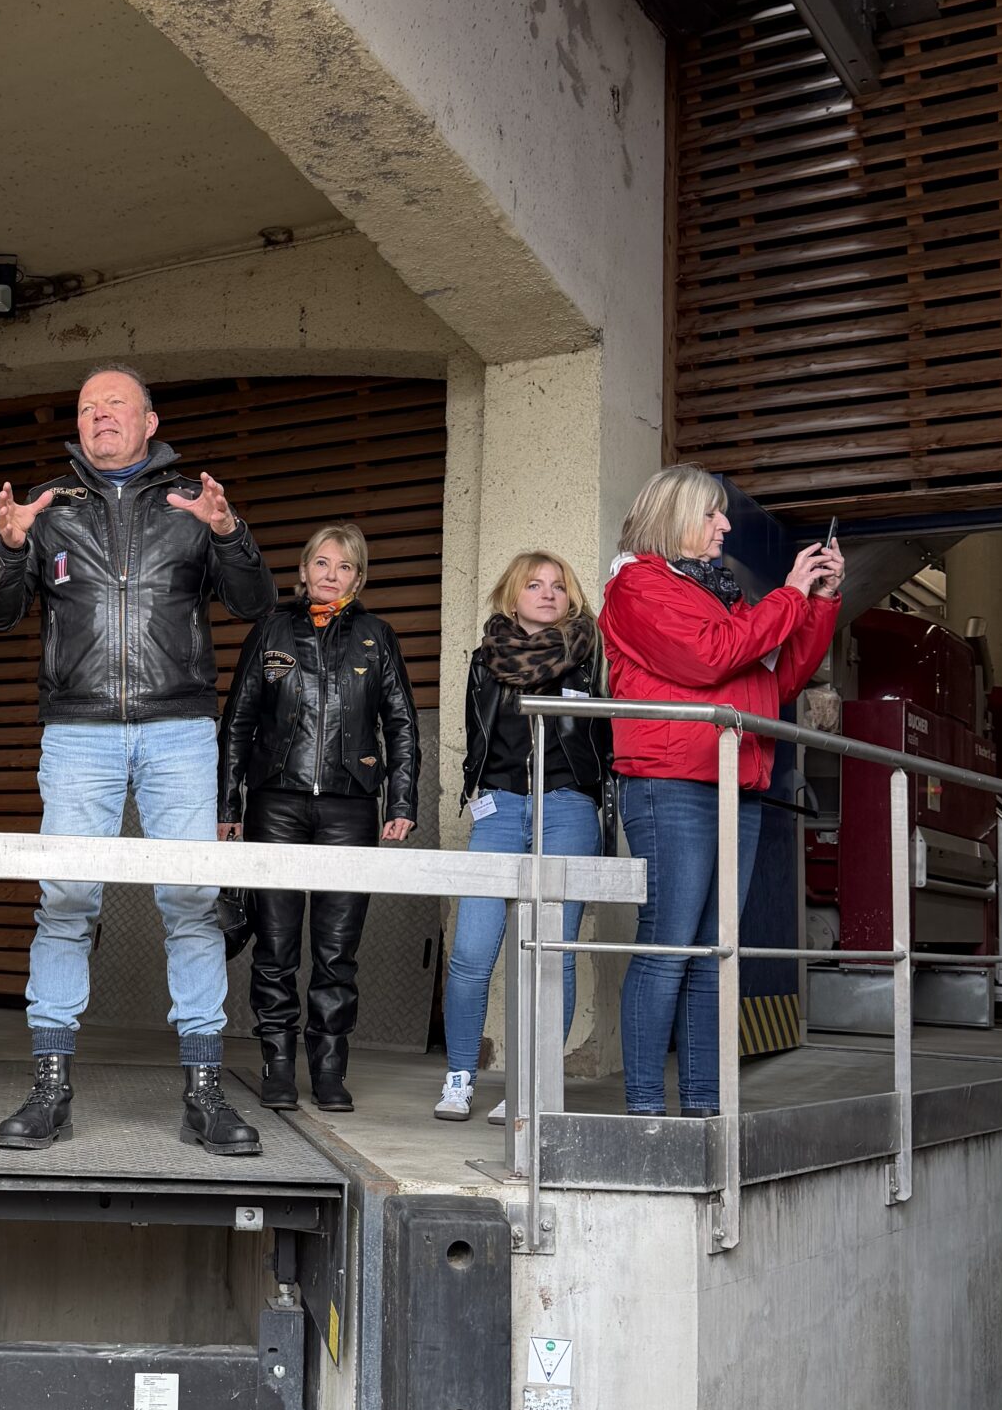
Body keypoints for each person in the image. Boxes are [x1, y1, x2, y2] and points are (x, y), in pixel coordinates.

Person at [0, 365, 275, 1154]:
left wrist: (228, 532)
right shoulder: (47, 507)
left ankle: (205, 1094)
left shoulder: (190, 504)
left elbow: (253, 603)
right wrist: (9, 548)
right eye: (87, 408)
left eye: (115, 404)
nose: (100, 415)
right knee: (66, 901)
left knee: (192, 902)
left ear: (150, 422)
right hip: (79, 732)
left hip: (179, 729)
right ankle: (49, 1090)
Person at [600, 465, 842, 1117]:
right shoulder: (638, 585)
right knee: (670, 947)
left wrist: (817, 602)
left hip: (738, 782)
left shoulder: (719, 592)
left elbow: (776, 681)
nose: (725, 525)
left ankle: (704, 1110)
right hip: (672, 784)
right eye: (711, 513)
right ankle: (646, 1115)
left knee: (713, 955)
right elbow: (709, 657)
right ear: (675, 516)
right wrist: (788, 596)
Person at [218, 522, 419, 1114]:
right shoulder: (271, 630)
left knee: (336, 951)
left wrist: (401, 802)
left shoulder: (377, 637)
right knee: (275, 946)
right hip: (275, 802)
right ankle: (278, 1066)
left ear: (359, 578)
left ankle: (329, 1069)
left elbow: (401, 724)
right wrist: (229, 806)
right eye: (323, 563)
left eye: (345, 566)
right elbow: (238, 721)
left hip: (350, 805)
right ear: (303, 571)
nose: (332, 575)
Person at [434, 551, 609, 1122]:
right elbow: (478, 738)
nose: (548, 593)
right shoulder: (485, 660)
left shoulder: (588, 657)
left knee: (552, 955)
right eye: (534, 584)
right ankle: (460, 1077)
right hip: (501, 806)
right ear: (513, 598)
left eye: (558, 585)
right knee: (471, 952)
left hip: (567, 806)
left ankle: (532, 1085)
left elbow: (603, 739)